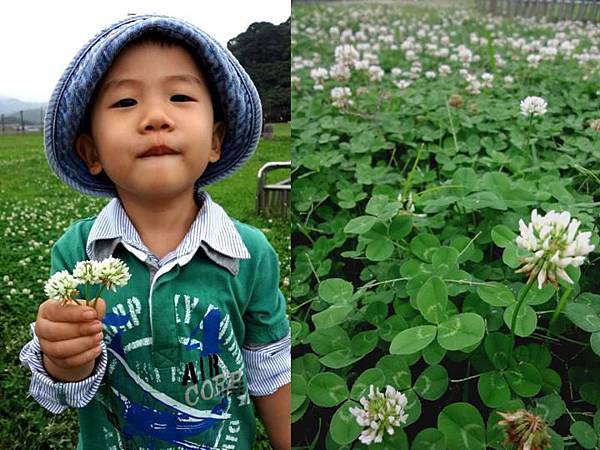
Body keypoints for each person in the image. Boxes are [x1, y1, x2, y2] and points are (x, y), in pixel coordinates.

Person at [19, 14, 290, 450]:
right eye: (125, 103)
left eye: (180, 96)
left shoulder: (250, 253)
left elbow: (271, 372)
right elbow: (69, 387)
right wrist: (63, 359)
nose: (156, 117)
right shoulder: (78, 253)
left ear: (216, 140)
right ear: (91, 151)